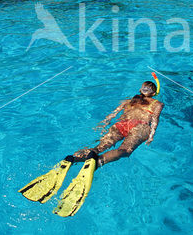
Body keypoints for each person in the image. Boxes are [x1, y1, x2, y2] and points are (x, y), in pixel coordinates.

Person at [19, 73, 164, 217]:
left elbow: (112, 115)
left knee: (99, 147)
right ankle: (96, 162)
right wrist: (151, 136)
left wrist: (103, 124)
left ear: (141, 90)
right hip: (140, 127)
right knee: (125, 150)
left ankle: (73, 159)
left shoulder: (128, 101)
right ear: (153, 92)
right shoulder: (157, 104)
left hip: (121, 124)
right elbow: (155, 120)